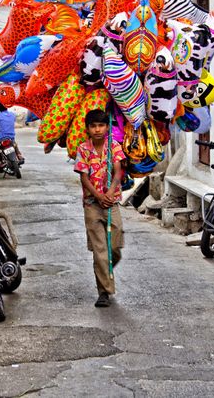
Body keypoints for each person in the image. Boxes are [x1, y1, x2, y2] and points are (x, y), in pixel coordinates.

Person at [74, 109, 126, 307]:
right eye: (93, 126)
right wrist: (98, 196)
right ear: (88, 128)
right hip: (92, 205)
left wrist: (110, 193)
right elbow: (84, 177)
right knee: (100, 251)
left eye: (101, 125)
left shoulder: (114, 146)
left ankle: (106, 270)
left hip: (112, 203)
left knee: (115, 246)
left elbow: (119, 171)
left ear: (106, 127)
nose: (97, 129)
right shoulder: (83, 149)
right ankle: (104, 291)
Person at [0, 103, 24, 167]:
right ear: (6, 107)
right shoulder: (12, 115)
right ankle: (19, 155)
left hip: (1, 138)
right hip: (11, 137)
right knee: (14, 144)